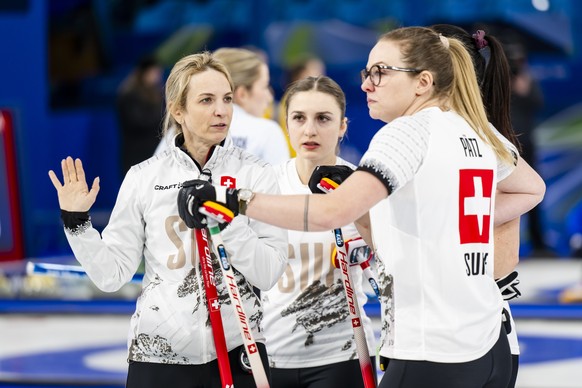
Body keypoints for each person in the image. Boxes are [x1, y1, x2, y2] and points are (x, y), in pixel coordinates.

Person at [178, 27, 546, 387]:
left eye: (380, 73)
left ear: (422, 82)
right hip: (489, 345)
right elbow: (530, 190)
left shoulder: (407, 132)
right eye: (366, 73)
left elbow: (330, 213)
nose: (367, 84)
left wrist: (232, 200)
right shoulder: (476, 131)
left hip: (434, 349)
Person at [48, 52, 288, 388]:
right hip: (160, 356)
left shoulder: (256, 173)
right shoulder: (144, 177)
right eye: (206, 100)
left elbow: (269, 272)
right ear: (178, 110)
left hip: (239, 351)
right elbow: (111, 275)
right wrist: (77, 223)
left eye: (227, 99)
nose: (221, 110)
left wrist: (226, 223)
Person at [432, 24, 546, 387]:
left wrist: (461, 221)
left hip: (467, 334)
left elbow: (532, 192)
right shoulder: (467, 133)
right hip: (470, 331)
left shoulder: (473, 136)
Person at [262, 75, 376, 387]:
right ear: (286, 123)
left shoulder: (364, 185)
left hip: (344, 357)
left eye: (323, 119)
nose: (309, 130)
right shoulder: (263, 186)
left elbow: (387, 271)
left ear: (342, 126)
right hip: (271, 355)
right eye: (299, 118)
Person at [156, 47, 290, 166]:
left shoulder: (178, 133)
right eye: (265, 86)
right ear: (242, 94)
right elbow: (281, 191)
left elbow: (153, 184)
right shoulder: (268, 132)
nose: (270, 96)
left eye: (227, 98)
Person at [116, 56, 165, 175]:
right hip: (136, 155)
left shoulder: (157, 93)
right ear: (144, 73)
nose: (158, 76)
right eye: (155, 72)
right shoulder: (128, 95)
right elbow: (139, 122)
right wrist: (166, 117)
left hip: (155, 152)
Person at [278, 56, 327, 158]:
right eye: (317, 71)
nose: (322, 77)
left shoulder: (299, 98)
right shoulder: (294, 100)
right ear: (302, 74)